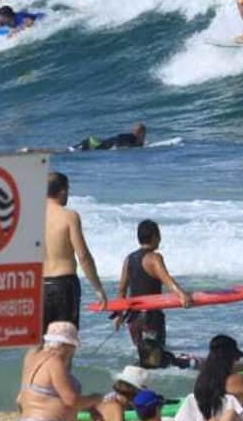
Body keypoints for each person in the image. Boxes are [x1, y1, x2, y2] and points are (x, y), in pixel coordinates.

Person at [117, 219, 192, 369]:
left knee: (144, 354)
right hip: (150, 317)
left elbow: (122, 290)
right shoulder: (154, 258)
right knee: (155, 359)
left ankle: (133, 380)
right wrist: (182, 294)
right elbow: (166, 279)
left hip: (133, 318)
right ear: (155, 236)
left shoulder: (129, 259)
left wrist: (119, 314)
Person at [43, 172, 109, 330]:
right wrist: (98, 289)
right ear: (63, 191)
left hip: (39, 286)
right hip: (63, 285)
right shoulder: (69, 216)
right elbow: (83, 256)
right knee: (63, 345)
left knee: (39, 344)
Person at [72, 123, 146, 151]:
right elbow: (119, 137)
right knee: (68, 151)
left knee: (69, 150)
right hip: (93, 143)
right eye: (144, 133)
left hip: (95, 142)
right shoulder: (130, 137)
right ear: (141, 133)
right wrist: (117, 147)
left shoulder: (134, 140)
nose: (144, 136)